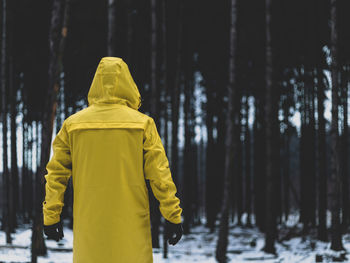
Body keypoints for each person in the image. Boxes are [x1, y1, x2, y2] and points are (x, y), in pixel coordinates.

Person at [42, 57, 183, 263]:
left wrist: (51, 216)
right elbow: (160, 174)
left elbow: (56, 175)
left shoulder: (73, 125)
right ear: (128, 83)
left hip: (90, 230)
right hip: (131, 229)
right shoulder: (143, 124)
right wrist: (172, 215)